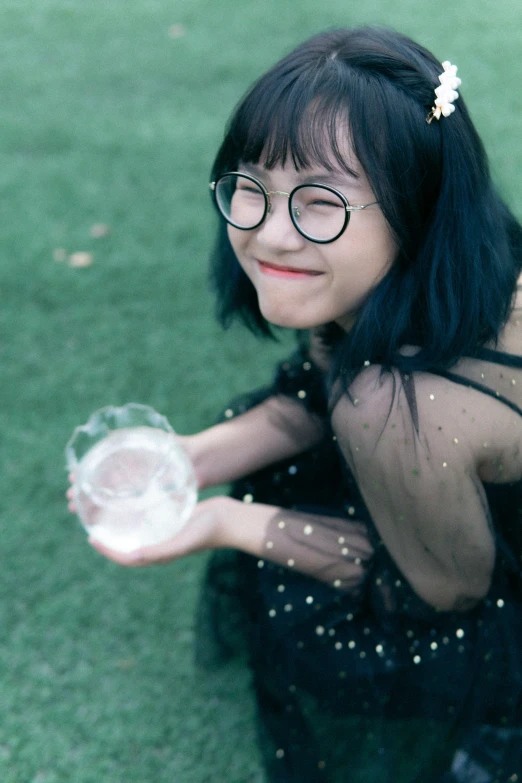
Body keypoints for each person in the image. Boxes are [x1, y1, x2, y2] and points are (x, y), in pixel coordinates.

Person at [71, 26, 522, 782]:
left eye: (320, 202)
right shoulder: (471, 258)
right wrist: (184, 457)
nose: (270, 235)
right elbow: (317, 391)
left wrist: (221, 519)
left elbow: (441, 594)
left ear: (415, 206)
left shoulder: (398, 410)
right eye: (251, 187)